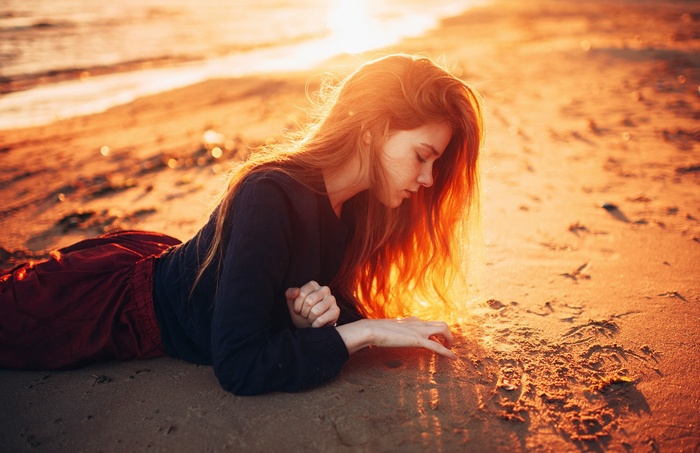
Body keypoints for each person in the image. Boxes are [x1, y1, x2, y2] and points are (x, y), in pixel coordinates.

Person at [0, 54, 483, 395]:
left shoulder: (355, 209)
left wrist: (307, 319)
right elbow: (238, 366)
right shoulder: (269, 193)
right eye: (423, 157)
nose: (426, 179)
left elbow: (273, 310)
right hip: (111, 305)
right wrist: (365, 333)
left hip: (177, 269)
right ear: (374, 128)